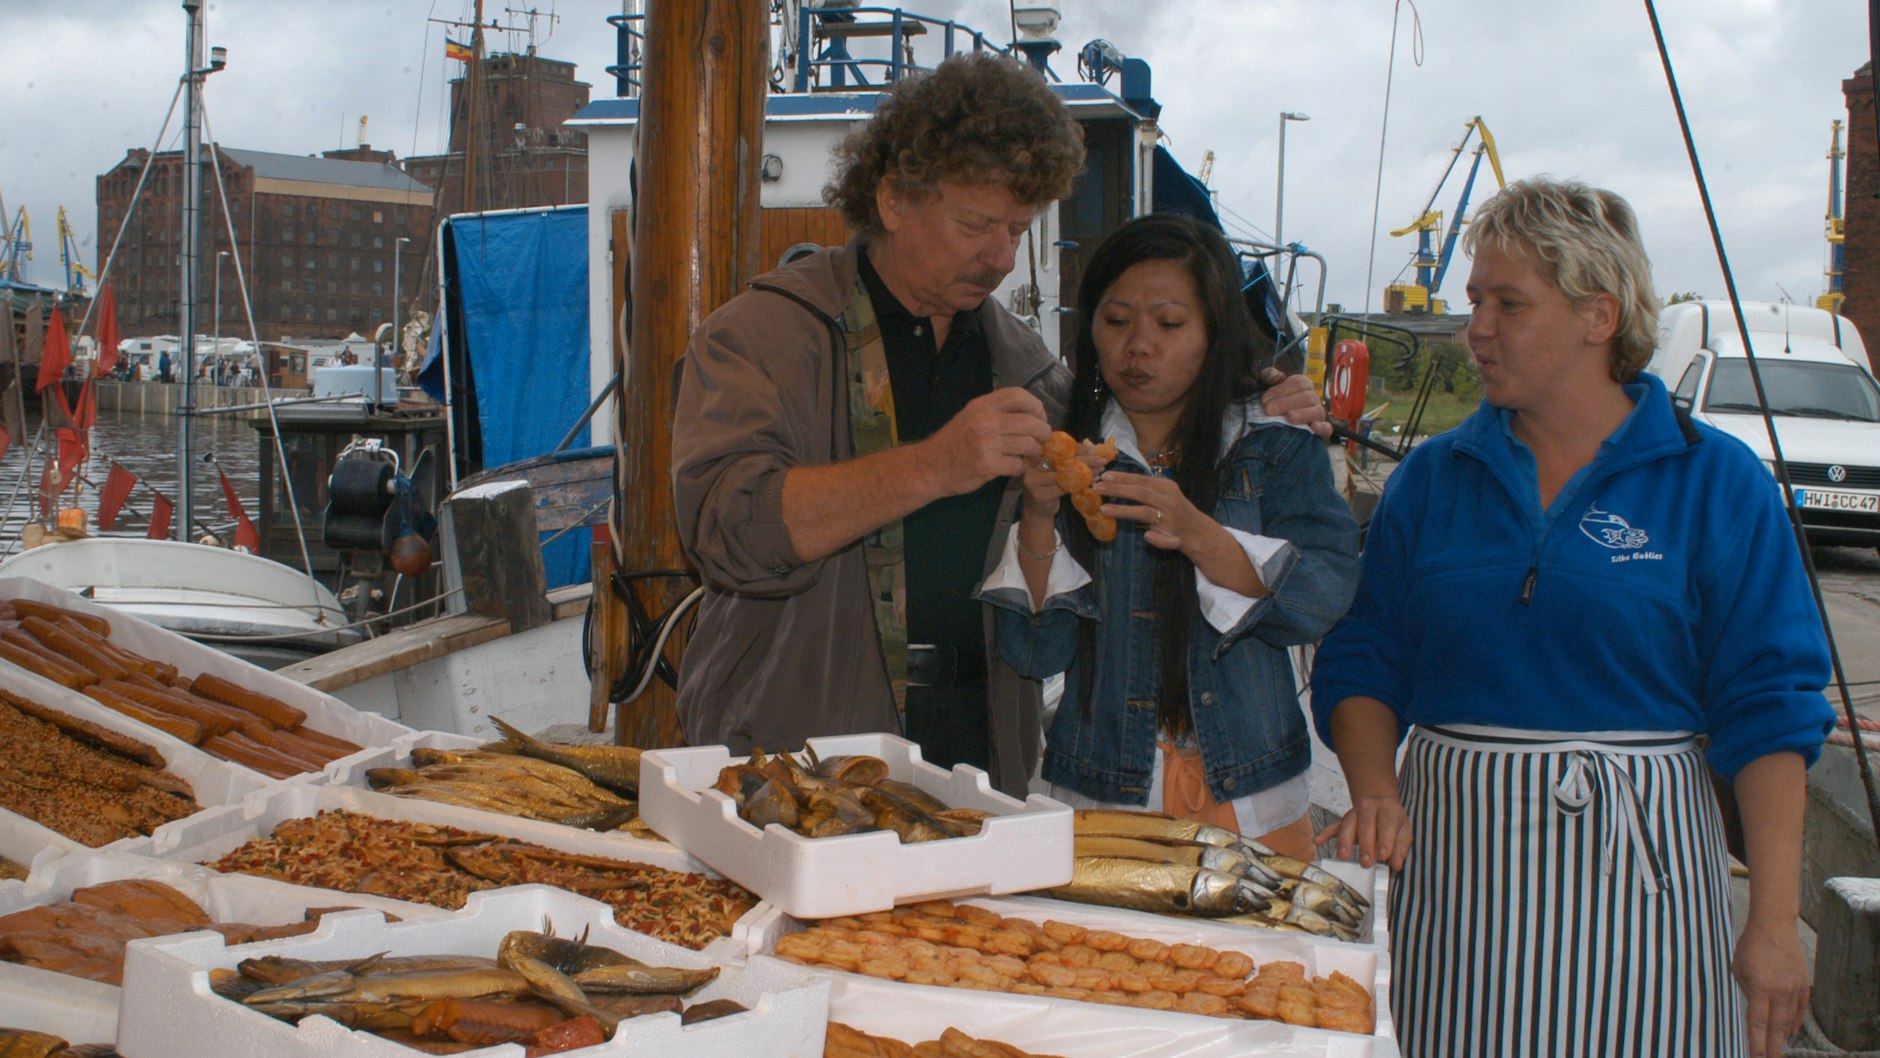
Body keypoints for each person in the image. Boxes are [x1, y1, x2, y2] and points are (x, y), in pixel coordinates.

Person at [670, 53, 1327, 794]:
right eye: (976, 224)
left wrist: (1261, 400)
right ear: (892, 201)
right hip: (797, 754)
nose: (1001, 258)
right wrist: (932, 466)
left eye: (1019, 228)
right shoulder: (758, 337)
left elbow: (1154, 426)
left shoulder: (1034, 373)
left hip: (981, 753)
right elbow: (726, 533)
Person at [1310, 178, 1832, 1058]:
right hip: (1456, 873)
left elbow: (1769, 706)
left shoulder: (1716, 482)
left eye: (1509, 303)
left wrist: (1773, 926)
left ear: (1601, 316)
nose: (1477, 326)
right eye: (1476, 299)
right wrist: (1375, 788)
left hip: (1648, 877)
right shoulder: (1431, 481)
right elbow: (1365, 657)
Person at [977, 214, 1359, 857]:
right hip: (1097, 801)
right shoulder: (1072, 454)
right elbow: (1035, 653)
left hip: (1253, 799)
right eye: (1117, 320)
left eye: (1170, 323)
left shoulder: (1273, 444)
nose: (1138, 346)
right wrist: (1039, 515)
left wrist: (1198, 533)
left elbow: (1323, 597)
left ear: (1214, 330)